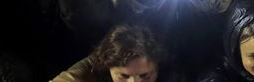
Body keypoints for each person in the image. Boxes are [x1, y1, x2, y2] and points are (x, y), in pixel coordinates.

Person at [52, 25, 180, 82]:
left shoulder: (172, 74)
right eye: (124, 76)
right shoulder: (93, 68)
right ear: (108, 68)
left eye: (144, 75)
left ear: (157, 67)